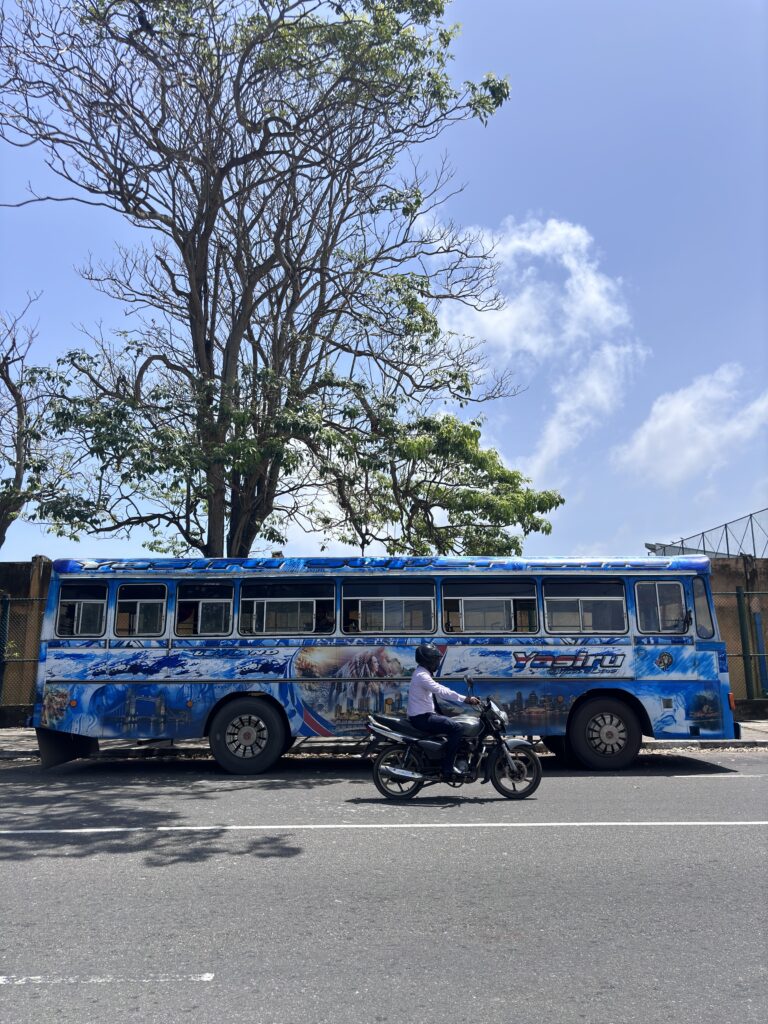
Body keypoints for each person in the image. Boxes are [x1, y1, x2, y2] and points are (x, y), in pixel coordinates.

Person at [407, 642, 480, 780]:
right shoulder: (422, 676)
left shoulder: (422, 673)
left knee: (452, 724)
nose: (437, 663)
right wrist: (465, 699)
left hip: (424, 715)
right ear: (428, 660)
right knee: (457, 728)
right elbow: (441, 691)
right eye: (435, 660)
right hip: (422, 718)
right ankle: (447, 768)